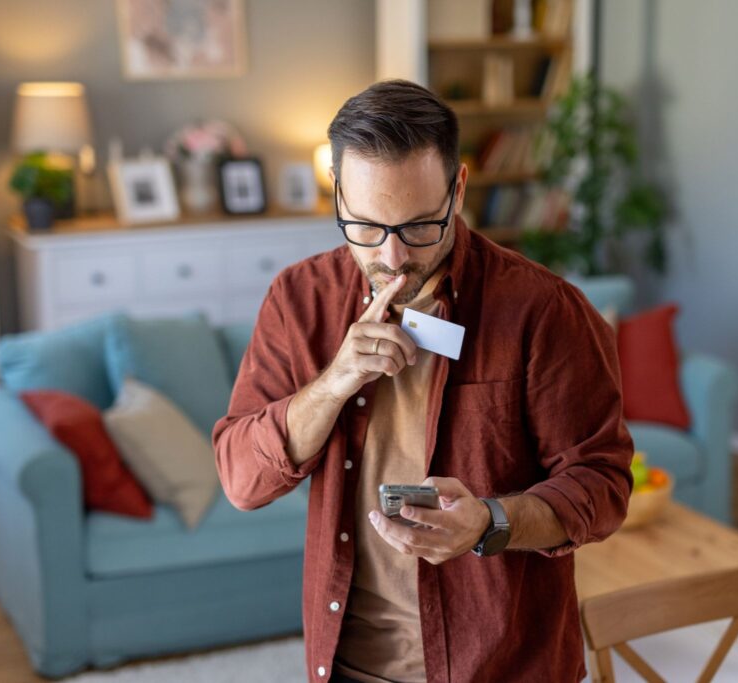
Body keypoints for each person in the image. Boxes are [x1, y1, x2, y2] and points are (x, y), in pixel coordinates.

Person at [213, 80, 633, 683]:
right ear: (337, 192)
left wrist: (491, 522)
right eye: (364, 226)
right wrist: (334, 383)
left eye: (417, 228)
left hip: (503, 667)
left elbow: (603, 482)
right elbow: (240, 479)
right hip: (346, 661)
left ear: (457, 190)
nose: (390, 257)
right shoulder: (298, 300)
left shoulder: (543, 310)